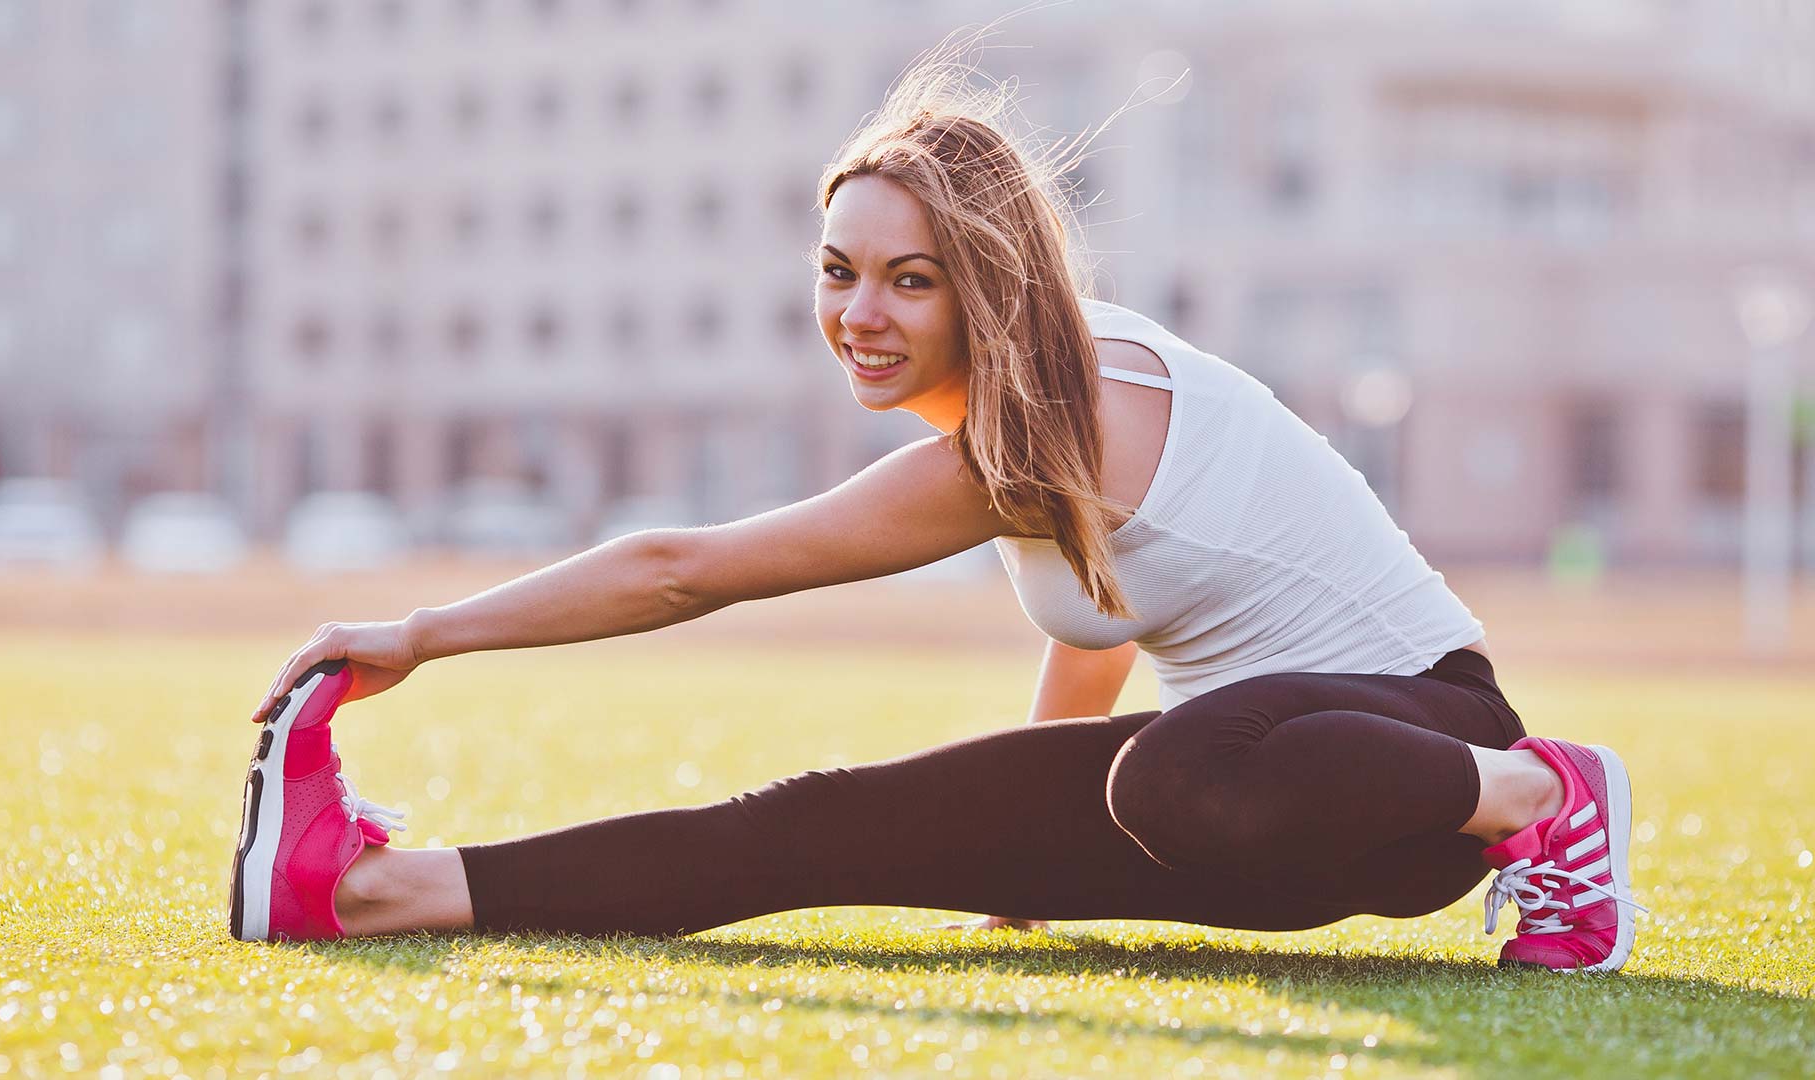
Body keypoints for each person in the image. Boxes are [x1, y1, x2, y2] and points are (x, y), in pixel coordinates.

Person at [229, 41, 1647, 971]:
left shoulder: (1061, 420)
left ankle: (1552, 796)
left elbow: (688, 568)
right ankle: (377, 893)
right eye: (839, 270)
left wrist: (422, 631)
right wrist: (1020, 830)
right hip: (1269, 808)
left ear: (991, 282)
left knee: (1168, 775)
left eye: (910, 279)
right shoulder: (1025, 422)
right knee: (815, 826)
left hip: (1422, 742)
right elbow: (1106, 615)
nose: (860, 312)